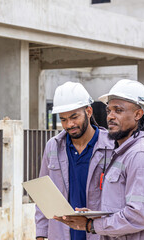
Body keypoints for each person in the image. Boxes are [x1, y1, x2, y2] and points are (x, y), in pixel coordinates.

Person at [54, 79, 144, 239]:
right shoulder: (123, 153)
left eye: (118, 110)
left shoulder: (141, 155)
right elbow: (119, 207)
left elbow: (139, 216)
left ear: (138, 114)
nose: (110, 117)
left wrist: (91, 225)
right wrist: (95, 215)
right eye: (109, 111)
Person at [36, 82, 114, 240]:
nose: (69, 125)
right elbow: (43, 195)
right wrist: (41, 234)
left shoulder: (112, 147)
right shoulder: (53, 147)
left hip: (99, 234)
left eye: (74, 117)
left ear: (88, 111)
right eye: (63, 119)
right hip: (61, 234)